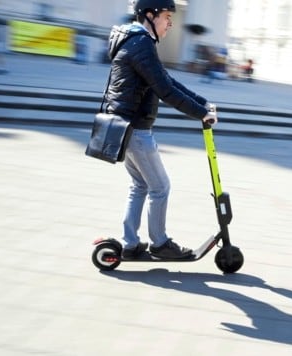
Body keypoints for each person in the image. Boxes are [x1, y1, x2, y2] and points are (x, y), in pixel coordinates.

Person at [105, 0, 218, 260]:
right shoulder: (141, 43)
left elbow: (166, 80)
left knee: (140, 185)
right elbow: (165, 90)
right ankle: (159, 243)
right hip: (136, 129)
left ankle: (130, 243)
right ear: (149, 15)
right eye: (167, 16)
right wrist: (202, 114)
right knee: (160, 187)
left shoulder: (136, 41)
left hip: (127, 127)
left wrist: (202, 103)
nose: (170, 23)